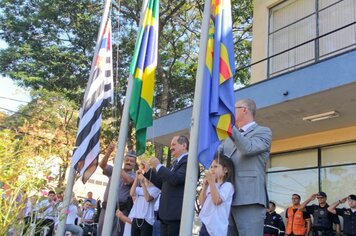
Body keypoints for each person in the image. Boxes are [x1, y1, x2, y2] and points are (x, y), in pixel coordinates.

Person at [219, 98, 272, 236]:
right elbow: (217, 158)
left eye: (233, 108)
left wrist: (230, 128)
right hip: (228, 198)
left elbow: (248, 148)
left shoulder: (263, 132)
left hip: (250, 199)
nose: (230, 113)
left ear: (245, 110)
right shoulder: (228, 139)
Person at [143, 135, 189, 236]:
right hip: (166, 215)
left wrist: (158, 166)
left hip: (175, 215)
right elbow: (164, 184)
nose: (171, 147)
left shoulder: (188, 161)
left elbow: (175, 179)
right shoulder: (176, 163)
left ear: (184, 146)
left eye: (173, 144)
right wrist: (148, 172)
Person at [97, 144, 136, 236]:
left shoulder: (134, 175)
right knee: (101, 232)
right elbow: (102, 165)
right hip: (106, 208)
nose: (129, 162)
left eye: (131, 161)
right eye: (127, 160)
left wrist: (118, 166)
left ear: (134, 164)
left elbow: (129, 180)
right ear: (124, 160)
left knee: (116, 234)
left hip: (120, 210)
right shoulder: (114, 170)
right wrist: (108, 152)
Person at [198, 153, 235, 236]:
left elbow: (217, 201)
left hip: (216, 229)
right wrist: (205, 186)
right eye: (211, 167)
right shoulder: (212, 185)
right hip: (205, 225)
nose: (212, 169)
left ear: (225, 170)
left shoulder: (228, 186)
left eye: (216, 166)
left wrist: (211, 182)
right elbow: (201, 203)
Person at [116, 169, 161, 236]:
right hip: (136, 219)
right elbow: (131, 193)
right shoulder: (139, 189)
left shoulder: (156, 190)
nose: (146, 179)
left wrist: (143, 184)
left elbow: (147, 198)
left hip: (147, 220)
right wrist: (136, 178)